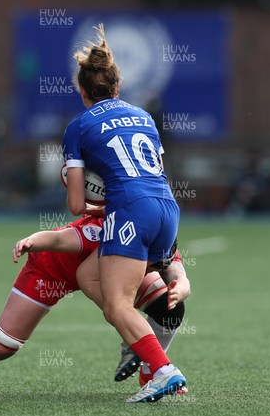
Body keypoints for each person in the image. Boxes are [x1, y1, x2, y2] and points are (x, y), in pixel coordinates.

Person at [0, 214, 190, 394]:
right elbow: (59, 238)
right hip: (52, 271)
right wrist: (32, 240)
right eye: (150, 264)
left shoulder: (157, 234)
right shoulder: (101, 231)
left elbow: (177, 272)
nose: (153, 268)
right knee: (2, 345)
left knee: (169, 304)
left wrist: (181, 287)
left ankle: (152, 369)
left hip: (105, 273)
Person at [61, 24, 184, 402]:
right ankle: (140, 342)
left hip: (130, 211)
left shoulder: (78, 126)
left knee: (117, 306)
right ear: (117, 87)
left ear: (83, 92)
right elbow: (157, 171)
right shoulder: (144, 116)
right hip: (167, 207)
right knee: (87, 275)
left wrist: (103, 201)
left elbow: (77, 206)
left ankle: (161, 368)